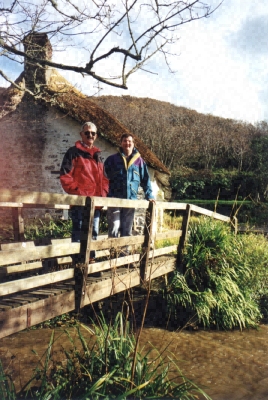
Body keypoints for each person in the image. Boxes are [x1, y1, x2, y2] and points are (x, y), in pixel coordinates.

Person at [60, 122, 109, 263]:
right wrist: (79, 194)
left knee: (93, 233)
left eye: (93, 133)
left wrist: (103, 195)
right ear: (81, 134)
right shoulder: (73, 153)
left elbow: (105, 179)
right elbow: (65, 177)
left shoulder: (98, 155)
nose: (90, 135)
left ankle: (90, 263)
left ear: (96, 136)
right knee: (79, 232)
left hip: (96, 204)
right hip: (80, 203)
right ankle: (78, 265)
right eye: (87, 133)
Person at [104, 133, 155, 256]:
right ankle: (113, 256)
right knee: (114, 228)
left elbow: (145, 181)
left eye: (129, 141)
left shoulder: (140, 162)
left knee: (127, 229)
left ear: (133, 144)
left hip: (130, 201)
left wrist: (150, 196)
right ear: (121, 143)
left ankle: (124, 257)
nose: (127, 143)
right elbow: (104, 178)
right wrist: (106, 195)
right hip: (114, 200)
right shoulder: (112, 160)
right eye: (125, 141)